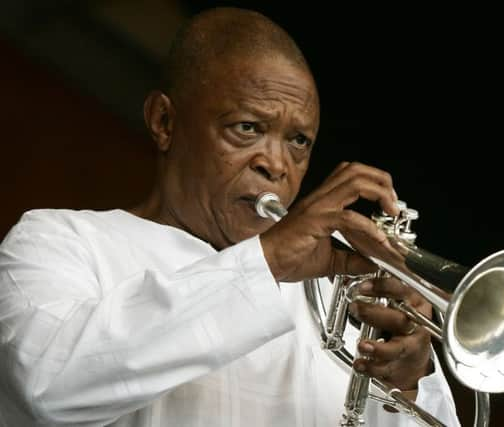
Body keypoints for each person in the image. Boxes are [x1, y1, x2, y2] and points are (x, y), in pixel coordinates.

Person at [0, 7, 460, 427]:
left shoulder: (335, 307)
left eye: (298, 141)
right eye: (248, 128)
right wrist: (270, 259)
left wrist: (409, 381)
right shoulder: (57, 241)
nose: (276, 165)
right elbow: (48, 385)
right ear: (164, 122)